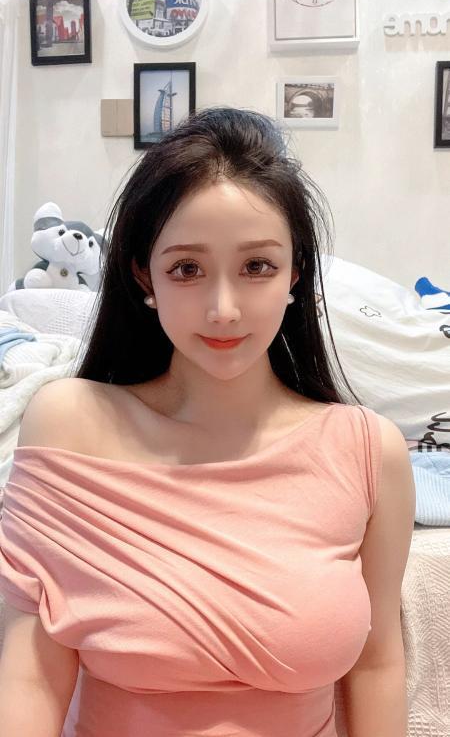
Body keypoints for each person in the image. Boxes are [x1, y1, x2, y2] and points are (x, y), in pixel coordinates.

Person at [0, 107, 415, 737]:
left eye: (257, 267)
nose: (224, 309)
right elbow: (30, 675)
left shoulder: (368, 451)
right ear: (144, 274)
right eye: (187, 269)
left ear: (296, 273)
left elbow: (377, 663)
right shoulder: (70, 424)